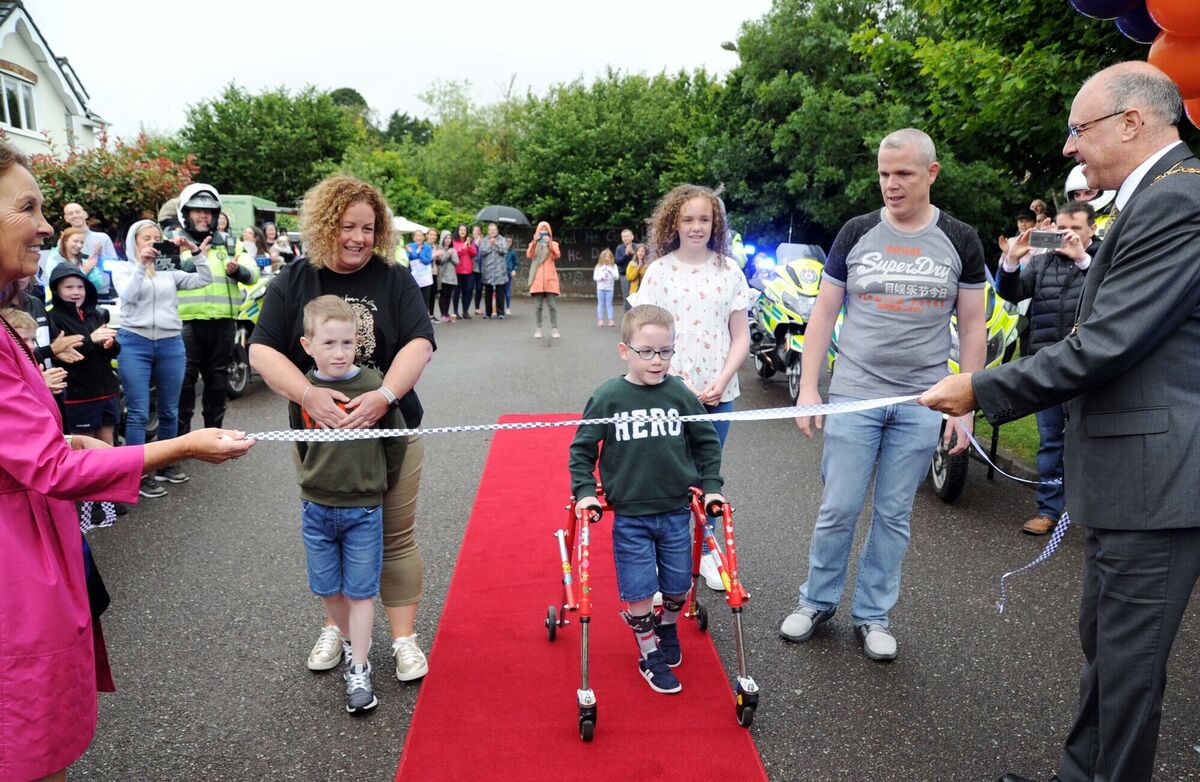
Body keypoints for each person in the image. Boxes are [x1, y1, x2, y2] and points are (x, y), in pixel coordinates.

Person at [920, 62, 1200, 782]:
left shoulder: (1179, 200)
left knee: (1128, 673)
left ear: (1132, 122)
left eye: (1080, 129)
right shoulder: (1153, 198)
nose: (1070, 147)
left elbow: (1105, 344)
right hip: (1127, 476)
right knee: (1106, 654)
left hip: (1155, 483)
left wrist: (979, 388)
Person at [0, 139, 253, 782]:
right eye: (27, 208)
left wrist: (65, 443)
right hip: (15, 567)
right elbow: (51, 473)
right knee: (27, 745)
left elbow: (29, 451)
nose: (46, 227)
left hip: (29, 545)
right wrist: (183, 446)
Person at [779, 128, 986, 661]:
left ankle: (872, 615)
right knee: (838, 507)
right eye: (883, 174)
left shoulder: (960, 239)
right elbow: (823, 313)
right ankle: (815, 601)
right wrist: (809, 388)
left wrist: (966, 404)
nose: (891, 184)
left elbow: (972, 327)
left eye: (903, 174)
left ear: (931, 173)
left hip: (923, 401)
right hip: (854, 395)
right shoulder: (856, 232)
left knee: (894, 515)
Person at [249, 174, 436, 685]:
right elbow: (262, 349)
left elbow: (419, 342)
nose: (359, 238)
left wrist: (384, 396)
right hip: (318, 436)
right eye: (348, 226)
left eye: (369, 228)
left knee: (395, 537)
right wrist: (307, 395)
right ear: (326, 224)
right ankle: (339, 628)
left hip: (392, 430)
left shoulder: (394, 279)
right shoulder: (293, 280)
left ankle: (403, 639)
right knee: (329, 539)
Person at [568, 304, 725, 695]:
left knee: (677, 586)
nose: (658, 360)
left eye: (666, 351)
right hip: (631, 515)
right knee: (639, 589)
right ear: (625, 351)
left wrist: (711, 485)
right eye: (647, 352)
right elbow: (582, 450)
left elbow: (706, 441)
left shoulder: (680, 394)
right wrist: (585, 492)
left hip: (674, 510)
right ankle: (648, 653)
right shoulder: (608, 397)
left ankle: (667, 626)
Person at [630, 183, 753, 592]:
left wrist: (723, 379)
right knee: (668, 477)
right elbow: (643, 335)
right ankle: (666, 556)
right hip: (666, 394)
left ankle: (705, 551)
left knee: (707, 475)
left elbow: (740, 336)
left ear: (715, 223)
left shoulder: (729, 271)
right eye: (688, 219)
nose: (697, 226)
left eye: (704, 219)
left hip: (719, 395)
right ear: (674, 223)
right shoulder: (659, 273)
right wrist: (672, 380)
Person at [289, 296, 407, 714]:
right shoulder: (304, 391)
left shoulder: (374, 385)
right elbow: (300, 440)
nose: (339, 353)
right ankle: (349, 639)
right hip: (316, 507)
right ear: (308, 346)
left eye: (347, 343)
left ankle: (359, 666)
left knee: (360, 592)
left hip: (364, 509)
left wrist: (379, 482)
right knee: (327, 588)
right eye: (329, 344)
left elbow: (394, 441)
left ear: (358, 341)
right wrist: (315, 478)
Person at [994, 201, 1098, 536]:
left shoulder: (1102, 260)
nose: (1068, 235)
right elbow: (1009, 292)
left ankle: (1094, 512)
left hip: (1092, 368)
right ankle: (1049, 509)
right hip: (1049, 366)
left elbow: (1109, 295)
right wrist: (1012, 259)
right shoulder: (1042, 262)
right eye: (1062, 228)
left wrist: (1082, 260)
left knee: (1094, 441)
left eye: (1076, 229)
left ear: (1092, 229)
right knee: (1051, 441)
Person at [117, 219, 214, 498]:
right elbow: (128, 295)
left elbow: (204, 280)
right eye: (146, 238)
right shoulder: (124, 269)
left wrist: (195, 251)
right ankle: (138, 472)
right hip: (135, 341)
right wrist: (141, 265)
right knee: (138, 411)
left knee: (170, 409)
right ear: (134, 242)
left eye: (156, 238)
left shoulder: (167, 269)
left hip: (170, 342)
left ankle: (165, 464)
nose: (152, 242)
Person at [175, 184, 260, 444]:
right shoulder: (175, 241)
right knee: (184, 384)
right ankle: (180, 442)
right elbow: (167, 272)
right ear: (185, 214)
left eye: (209, 212)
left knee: (217, 382)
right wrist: (197, 255)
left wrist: (237, 270)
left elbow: (253, 274)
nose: (204, 216)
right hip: (186, 323)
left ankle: (213, 439)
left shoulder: (230, 243)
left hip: (223, 323)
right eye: (197, 211)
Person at [46, 265, 120, 445]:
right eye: (69, 287)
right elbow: (63, 355)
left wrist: (110, 344)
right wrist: (91, 339)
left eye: (80, 287)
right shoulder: (52, 318)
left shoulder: (95, 315)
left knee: (107, 444)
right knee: (85, 447)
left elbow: (115, 352)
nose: (76, 292)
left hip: (107, 391)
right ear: (56, 290)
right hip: (78, 396)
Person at [526, 220, 562, 339]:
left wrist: (549, 244)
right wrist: (534, 242)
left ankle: (555, 328)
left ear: (549, 232)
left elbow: (557, 255)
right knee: (538, 307)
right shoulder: (533, 244)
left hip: (550, 280)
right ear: (538, 231)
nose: (543, 231)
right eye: (541, 229)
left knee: (552, 306)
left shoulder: (553, 244)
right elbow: (529, 255)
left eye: (546, 229)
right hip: (537, 280)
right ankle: (538, 328)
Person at [46, 227, 107, 294]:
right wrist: (84, 271)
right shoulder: (55, 259)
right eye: (75, 241)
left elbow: (97, 284)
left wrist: (92, 268)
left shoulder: (84, 259)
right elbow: (60, 283)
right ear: (65, 241)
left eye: (82, 242)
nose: (79, 245)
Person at [477, 222, 509, 319]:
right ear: (488, 231)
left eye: (494, 230)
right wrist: (490, 245)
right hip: (488, 271)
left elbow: (504, 250)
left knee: (500, 293)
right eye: (491, 230)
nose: (492, 232)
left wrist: (496, 244)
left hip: (500, 271)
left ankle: (500, 313)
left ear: (497, 231)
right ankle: (488, 313)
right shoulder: (485, 240)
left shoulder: (502, 239)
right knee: (488, 293)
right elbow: (481, 251)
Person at [406, 230, 435, 318]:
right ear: (413, 238)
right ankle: (414, 317)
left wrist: (418, 253)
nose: (419, 238)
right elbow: (407, 259)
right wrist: (414, 253)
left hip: (425, 277)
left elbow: (428, 260)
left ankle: (424, 318)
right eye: (417, 236)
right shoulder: (410, 246)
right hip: (414, 277)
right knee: (414, 298)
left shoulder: (427, 247)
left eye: (420, 236)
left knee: (425, 298)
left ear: (423, 237)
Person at [451, 224, 477, 319]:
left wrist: (469, 246)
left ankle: (465, 311)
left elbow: (474, 253)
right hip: (457, 270)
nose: (463, 232)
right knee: (456, 292)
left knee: (468, 291)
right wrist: (463, 247)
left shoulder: (470, 241)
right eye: (461, 230)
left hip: (468, 271)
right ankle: (455, 311)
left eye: (464, 230)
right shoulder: (454, 242)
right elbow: (455, 254)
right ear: (458, 231)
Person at [614, 228, 641, 311]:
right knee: (626, 296)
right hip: (624, 275)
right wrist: (625, 254)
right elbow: (618, 262)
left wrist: (633, 252)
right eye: (624, 237)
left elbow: (643, 258)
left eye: (627, 236)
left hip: (637, 275)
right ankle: (627, 315)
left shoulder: (638, 247)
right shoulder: (619, 248)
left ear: (632, 237)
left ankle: (637, 315)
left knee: (637, 295)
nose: (626, 238)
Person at [434, 229, 458, 322]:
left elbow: (457, 262)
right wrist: (448, 254)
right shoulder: (439, 249)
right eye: (446, 238)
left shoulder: (453, 249)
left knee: (448, 296)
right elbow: (440, 261)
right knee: (443, 295)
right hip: (442, 276)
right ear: (442, 239)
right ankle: (443, 314)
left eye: (449, 238)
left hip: (451, 276)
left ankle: (447, 313)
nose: (448, 240)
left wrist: (449, 255)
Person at [592, 248, 618, 327]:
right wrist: (601, 278)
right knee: (600, 304)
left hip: (610, 289)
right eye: (605, 257)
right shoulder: (598, 266)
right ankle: (600, 320)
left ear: (611, 258)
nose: (607, 259)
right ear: (602, 258)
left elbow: (616, 277)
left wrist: (610, 271)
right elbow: (595, 277)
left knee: (609, 304)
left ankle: (610, 320)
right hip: (600, 288)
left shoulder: (614, 266)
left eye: (608, 257)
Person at [471, 224, 484, 315]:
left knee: (479, 288)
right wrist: (476, 244)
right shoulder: (470, 242)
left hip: (481, 269)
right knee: (469, 288)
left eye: (478, 231)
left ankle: (477, 307)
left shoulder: (483, 242)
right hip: (471, 268)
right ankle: (465, 309)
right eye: (475, 231)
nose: (477, 233)